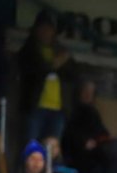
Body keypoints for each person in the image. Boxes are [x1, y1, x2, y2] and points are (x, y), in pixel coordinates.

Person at [16, 11, 77, 149]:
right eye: (42, 28)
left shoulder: (61, 50)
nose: (45, 32)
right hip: (35, 106)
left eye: (49, 28)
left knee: (52, 149)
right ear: (36, 30)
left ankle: (50, 171)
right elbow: (33, 71)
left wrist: (59, 63)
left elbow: (73, 75)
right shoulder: (29, 49)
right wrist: (55, 63)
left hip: (58, 109)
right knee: (31, 147)